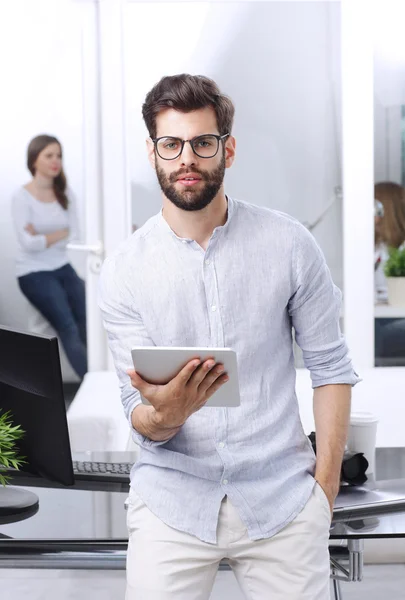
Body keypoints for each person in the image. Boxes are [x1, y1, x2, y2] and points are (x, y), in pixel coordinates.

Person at [98, 74, 359, 600]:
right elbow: (138, 411)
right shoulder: (124, 270)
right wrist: (164, 415)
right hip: (172, 500)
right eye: (170, 144)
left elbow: (331, 368)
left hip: (283, 499)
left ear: (228, 149)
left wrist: (324, 489)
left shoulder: (289, 245)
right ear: (152, 152)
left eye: (202, 142)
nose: (186, 159)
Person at [12, 134, 87, 379]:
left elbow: (74, 233)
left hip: (63, 265)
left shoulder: (65, 193)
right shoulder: (21, 197)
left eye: (59, 155)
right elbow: (28, 244)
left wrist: (45, 234)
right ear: (35, 160)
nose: (56, 161)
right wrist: (59, 233)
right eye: (49, 155)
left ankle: (105, 381)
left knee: (89, 323)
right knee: (68, 327)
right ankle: (91, 383)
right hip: (33, 272)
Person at [374, 181, 405, 365]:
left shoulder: (400, 252)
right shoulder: (378, 247)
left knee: (374, 332)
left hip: (394, 318)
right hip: (383, 315)